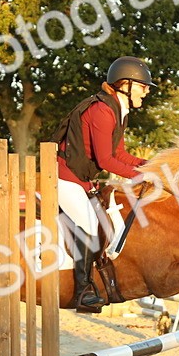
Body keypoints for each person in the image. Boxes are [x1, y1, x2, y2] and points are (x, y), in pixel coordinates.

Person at [51, 56, 155, 312]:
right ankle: (82, 292)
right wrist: (140, 177)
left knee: (101, 223)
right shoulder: (102, 111)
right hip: (63, 176)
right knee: (88, 221)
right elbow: (106, 160)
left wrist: (149, 165)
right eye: (143, 86)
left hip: (80, 179)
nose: (147, 91)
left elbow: (119, 154)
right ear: (126, 84)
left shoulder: (118, 111)